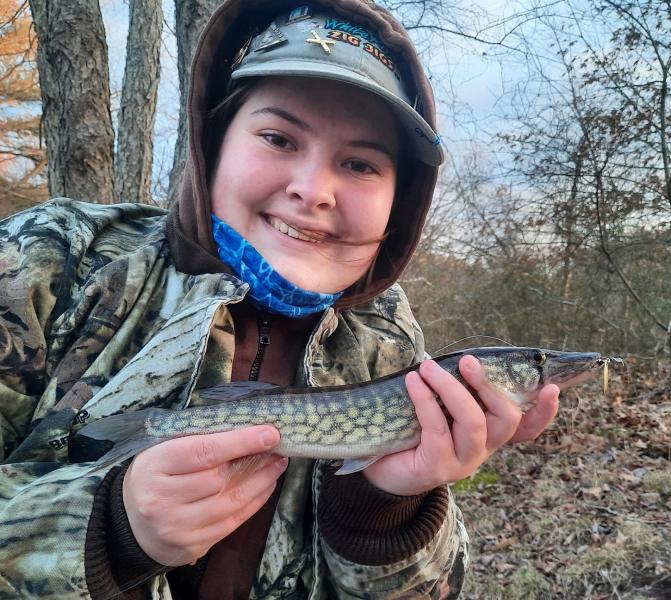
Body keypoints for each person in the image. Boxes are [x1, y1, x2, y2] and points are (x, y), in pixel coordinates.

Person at [0, 0, 560, 598]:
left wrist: (384, 509)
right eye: (277, 137)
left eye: (360, 164)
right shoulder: (50, 263)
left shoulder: (389, 346)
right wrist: (106, 530)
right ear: (213, 144)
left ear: (401, 201)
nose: (313, 190)